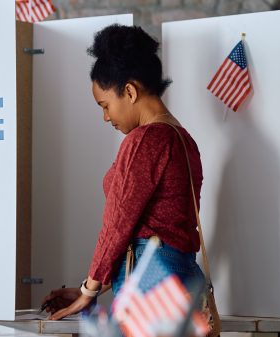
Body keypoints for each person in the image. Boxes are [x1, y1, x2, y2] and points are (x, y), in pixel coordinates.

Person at [41, 24, 206, 320]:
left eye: (105, 105)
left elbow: (118, 223)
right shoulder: (184, 140)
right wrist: (88, 287)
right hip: (180, 279)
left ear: (129, 91)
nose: (105, 117)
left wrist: (88, 293)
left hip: (149, 286)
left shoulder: (144, 140)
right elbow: (158, 230)